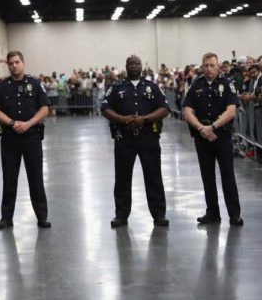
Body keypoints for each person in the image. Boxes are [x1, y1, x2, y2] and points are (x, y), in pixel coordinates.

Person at [101, 55, 170, 228]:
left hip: (148, 138)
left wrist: (145, 119)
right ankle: (121, 215)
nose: (134, 66)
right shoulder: (116, 87)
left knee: (154, 177)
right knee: (123, 178)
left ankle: (159, 215)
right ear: (126, 66)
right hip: (124, 139)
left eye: (137, 63)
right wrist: (122, 119)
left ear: (141, 66)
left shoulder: (151, 87)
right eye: (130, 64)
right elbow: (105, 108)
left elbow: (164, 108)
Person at [0, 50, 50, 229]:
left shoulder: (36, 84)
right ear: (8, 65)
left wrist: (29, 123)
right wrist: (11, 122)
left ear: (23, 63)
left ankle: (42, 217)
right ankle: (6, 218)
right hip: (10, 139)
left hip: (32, 138)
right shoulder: (2, 87)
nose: (14, 66)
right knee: (9, 179)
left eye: (17, 62)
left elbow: (45, 108)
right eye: (11, 63)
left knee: (36, 179)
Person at [183, 52, 243, 226]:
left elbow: (231, 111)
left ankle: (234, 214)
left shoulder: (227, 84)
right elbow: (187, 111)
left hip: (221, 135)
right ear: (202, 67)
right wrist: (202, 128)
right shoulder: (196, 85)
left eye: (212, 65)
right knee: (207, 176)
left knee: (228, 175)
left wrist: (213, 127)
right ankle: (213, 213)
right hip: (202, 137)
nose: (209, 69)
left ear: (218, 66)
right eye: (206, 66)